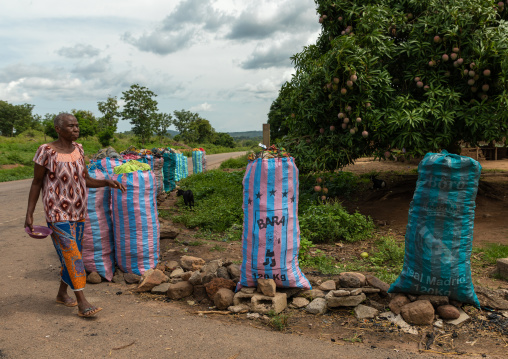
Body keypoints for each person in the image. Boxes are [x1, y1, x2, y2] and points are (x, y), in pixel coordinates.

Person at [24, 113, 126, 318]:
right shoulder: (46, 151)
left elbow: (85, 179)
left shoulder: (78, 149)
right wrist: (29, 213)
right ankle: (82, 301)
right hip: (56, 212)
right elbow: (36, 183)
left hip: (78, 210)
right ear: (58, 129)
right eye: (70, 126)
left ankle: (62, 294)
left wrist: (106, 181)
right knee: (72, 254)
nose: (76, 129)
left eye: (77, 126)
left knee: (72, 254)